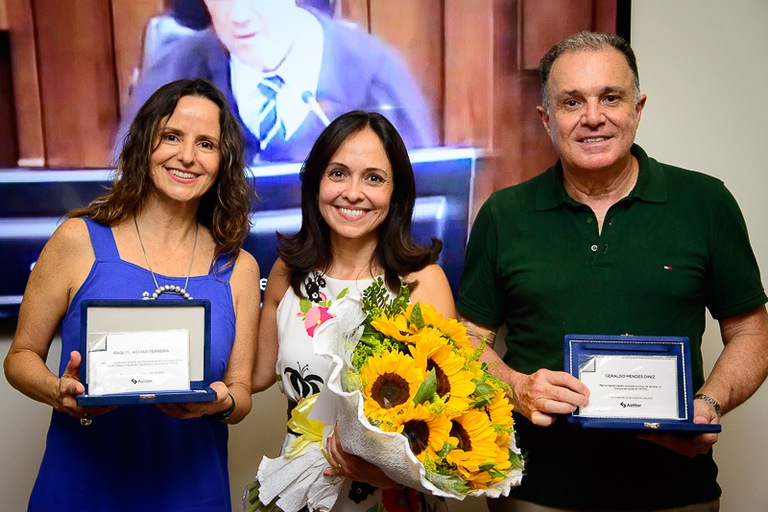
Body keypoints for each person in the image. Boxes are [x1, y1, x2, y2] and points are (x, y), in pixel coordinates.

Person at [456, 31, 768, 512]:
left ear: (638, 108)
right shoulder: (504, 214)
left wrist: (708, 407)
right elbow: (469, 338)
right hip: (536, 493)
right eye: (571, 101)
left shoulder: (706, 203)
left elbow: (751, 330)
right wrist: (516, 387)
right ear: (546, 119)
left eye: (611, 97)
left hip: (676, 492)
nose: (593, 117)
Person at [3, 78, 261, 511]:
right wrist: (56, 390)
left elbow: (241, 393)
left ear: (223, 162)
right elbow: (20, 355)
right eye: (172, 137)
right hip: (80, 491)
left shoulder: (240, 268)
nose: (187, 156)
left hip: (193, 494)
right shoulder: (77, 240)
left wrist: (220, 403)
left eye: (206, 144)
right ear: (145, 145)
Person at [253, 110, 453, 511]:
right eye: (338, 173)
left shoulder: (423, 282)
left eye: (374, 178)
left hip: (390, 499)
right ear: (315, 183)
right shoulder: (287, 273)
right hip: (300, 494)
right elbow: (252, 377)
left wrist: (395, 471)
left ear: (396, 193)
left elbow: (451, 418)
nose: (353, 192)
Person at [118, 0, 437, 166]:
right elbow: (130, 211)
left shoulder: (376, 80)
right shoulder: (173, 78)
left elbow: (414, 226)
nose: (239, 14)